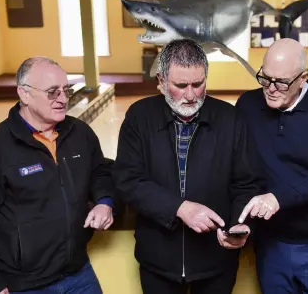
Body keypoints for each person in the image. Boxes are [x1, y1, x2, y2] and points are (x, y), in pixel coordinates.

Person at [112, 38, 264, 294]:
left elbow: (246, 183)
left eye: (198, 83)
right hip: (157, 260)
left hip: (216, 259)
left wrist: (239, 224)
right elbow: (127, 180)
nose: (191, 94)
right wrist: (179, 208)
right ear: (161, 82)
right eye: (180, 86)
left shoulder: (230, 118)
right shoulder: (139, 117)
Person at [0, 57, 115, 294]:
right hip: (24, 285)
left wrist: (105, 202)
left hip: (78, 272)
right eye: (52, 92)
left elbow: (101, 172)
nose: (63, 99)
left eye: (66, 90)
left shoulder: (80, 134)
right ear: (24, 94)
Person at [235, 38, 308, 294]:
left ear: (304, 79)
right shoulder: (247, 105)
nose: (271, 88)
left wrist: (278, 198)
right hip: (271, 244)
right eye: (265, 78)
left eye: (282, 82)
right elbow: (239, 170)